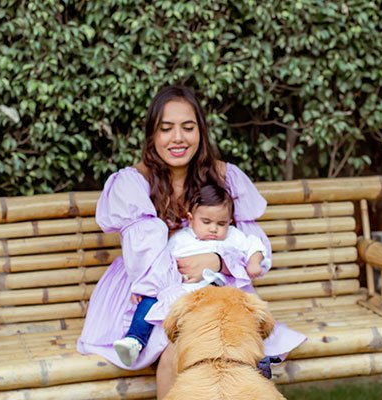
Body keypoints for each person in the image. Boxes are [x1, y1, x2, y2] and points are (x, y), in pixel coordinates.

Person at [76, 85, 306, 399]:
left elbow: (249, 244)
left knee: (240, 342)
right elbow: (143, 257)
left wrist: (218, 262)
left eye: (188, 127)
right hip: (149, 290)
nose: (178, 138)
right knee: (179, 347)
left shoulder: (223, 177)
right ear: (152, 135)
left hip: (216, 285)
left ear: (201, 130)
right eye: (166, 129)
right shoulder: (134, 182)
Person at [113, 183, 270, 367]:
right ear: (191, 218)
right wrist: (144, 286)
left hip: (213, 296)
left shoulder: (233, 237)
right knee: (149, 300)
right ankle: (134, 340)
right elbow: (160, 266)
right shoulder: (180, 239)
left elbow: (254, 245)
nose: (213, 229)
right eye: (206, 222)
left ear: (230, 222)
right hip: (180, 292)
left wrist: (254, 261)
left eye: (221, 223)